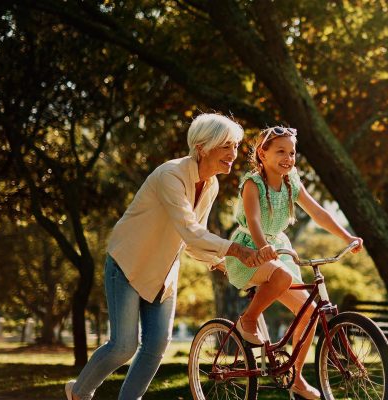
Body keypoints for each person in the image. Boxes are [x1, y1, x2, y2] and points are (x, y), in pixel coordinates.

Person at [65, 114, 268, 400]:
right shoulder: (170, 175)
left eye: (235, 146)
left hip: (162, 272)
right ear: (202, 147)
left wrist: (221, 264)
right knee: (123, 346)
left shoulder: (210, 185)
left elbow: (194, 240)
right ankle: (79, 392)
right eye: (226, 146)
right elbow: (191, 231)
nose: (233, 154)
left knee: (156, 345)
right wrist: (235, 249)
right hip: (128, 263)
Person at [225, 126, 363, 400]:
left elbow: (318, 212)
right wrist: (263, 246)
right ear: (262, 154)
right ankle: (248, 320)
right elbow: (253, 219)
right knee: (282, 277)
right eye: (280, 152)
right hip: (249, 249)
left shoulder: (291, 182)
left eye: (292, 152)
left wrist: (347, 236)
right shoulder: (253, 183)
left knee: (311, 313)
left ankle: (295, 377)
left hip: (277, 247)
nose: (288, 158)